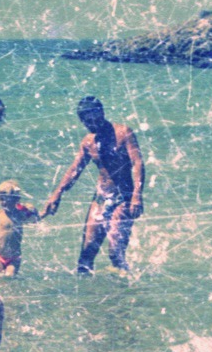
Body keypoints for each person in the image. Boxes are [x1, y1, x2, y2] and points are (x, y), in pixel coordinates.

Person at [42, 96, 145, 273]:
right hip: (100, 199)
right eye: (87, 122)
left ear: (102, 113)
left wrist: (137, 195)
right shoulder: (88, 142)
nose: (92, 124)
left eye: (95, 119)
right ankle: (86, 296)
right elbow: (75, 169)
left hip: (124, 198)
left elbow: (138, 163)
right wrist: (57, 193)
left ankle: (125, 293)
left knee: (115, 253)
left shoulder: (123, 133)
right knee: (86, 254)